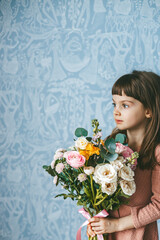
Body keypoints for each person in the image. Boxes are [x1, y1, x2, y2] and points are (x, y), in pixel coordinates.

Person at [87, 70, 160, 240]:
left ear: (148, 110)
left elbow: (158, 206)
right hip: (108, 233)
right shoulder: (109, 145)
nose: (116, 111)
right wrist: (96, 223)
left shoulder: (156, 152)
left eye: (125, 105)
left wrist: (116, 225)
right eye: (114, 104)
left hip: (137, 234)